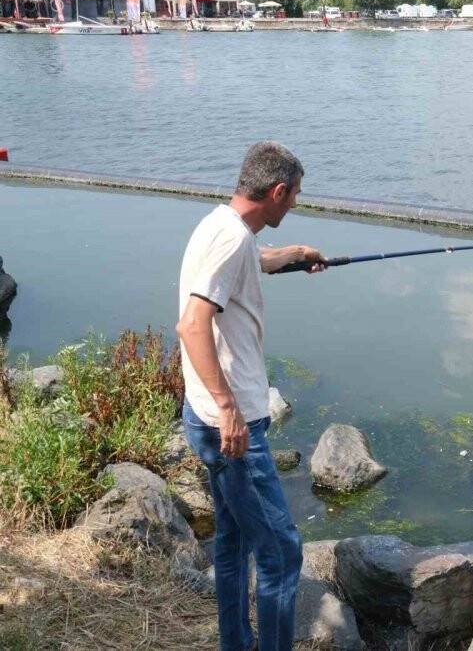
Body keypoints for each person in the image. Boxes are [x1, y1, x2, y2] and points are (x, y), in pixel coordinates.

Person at [176, 141, 326, 651]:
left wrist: (296, 256)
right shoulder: (230, 241)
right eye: (295, 196)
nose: (295, 204)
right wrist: (228, 410)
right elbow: (192, 324)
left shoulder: (223, 226)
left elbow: (252, 259)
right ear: (278, 191)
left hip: (205, 415)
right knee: (282, 556)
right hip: (230, 426)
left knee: (234, 543)